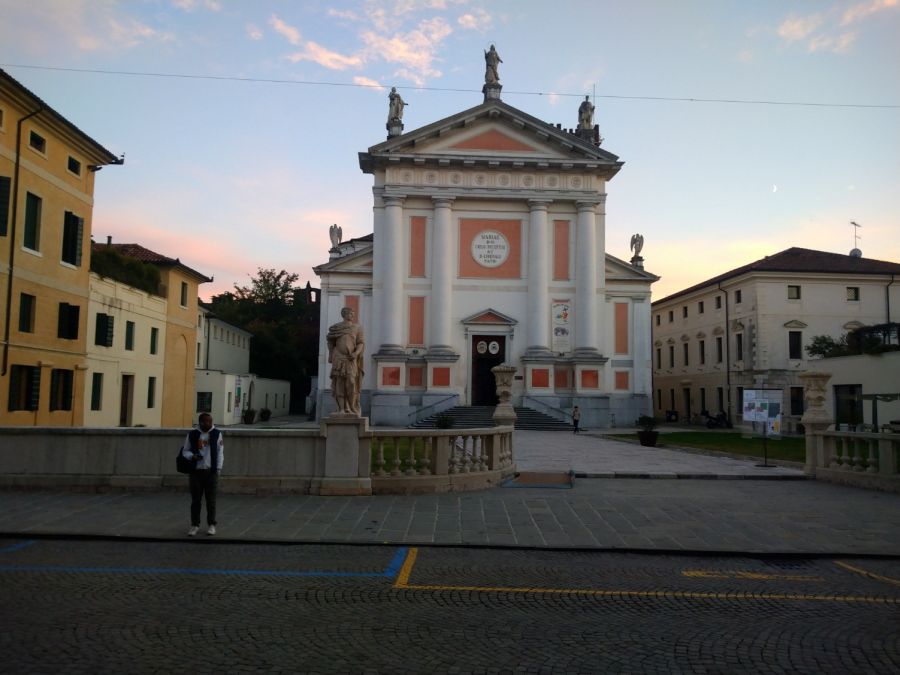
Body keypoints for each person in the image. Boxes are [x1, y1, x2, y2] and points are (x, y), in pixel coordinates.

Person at [181, 413, 224, 536]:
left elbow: (220, 452)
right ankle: (195, 525)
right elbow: (185, 451)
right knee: (196, 500)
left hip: (211, 472)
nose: (209, 424)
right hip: (196, 472)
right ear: (200, 422)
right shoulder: (192, 434)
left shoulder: (216, 434)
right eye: (206, 422)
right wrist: (192, 456)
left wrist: (218, 469)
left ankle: (212, 525)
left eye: (210, 421)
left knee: (211, 500)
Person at [326, 307, 365, 415]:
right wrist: (331, 354)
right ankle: (341, 409)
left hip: (351, 358)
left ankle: (351, 407)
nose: (352, 315)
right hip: (338, 358)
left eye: (353, 313)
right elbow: (330, 341)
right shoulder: (336, 328)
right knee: (339, 384)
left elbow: (360, 343)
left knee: (351, 382)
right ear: (344, 314)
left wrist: (356, 353)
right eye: (350, 313)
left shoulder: (357, 328)